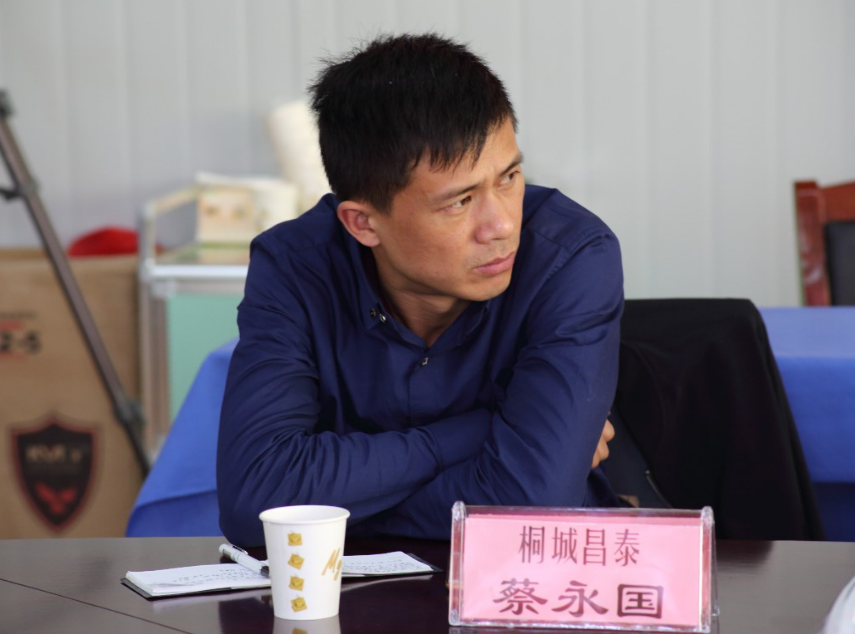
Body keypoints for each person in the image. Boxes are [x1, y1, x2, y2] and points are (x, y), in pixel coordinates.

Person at [217, 33, 623, 547]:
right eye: (459, 202)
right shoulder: (295, 266)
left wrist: (331, 508)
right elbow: (254, 500)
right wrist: (480, 430)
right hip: (346, 588)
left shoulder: (571, 256)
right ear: (363, 223)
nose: (501, 225)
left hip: (532, 577)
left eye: (509, 177)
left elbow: (530, 507)